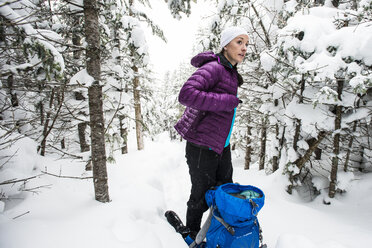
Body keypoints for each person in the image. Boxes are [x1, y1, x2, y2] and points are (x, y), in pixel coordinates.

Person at [174, 26, 249, 239]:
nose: (244, 48)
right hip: (201, 145)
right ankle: (193, 234)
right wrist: (226, 101)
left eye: (246, 44)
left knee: (225, 191)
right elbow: (186, 94)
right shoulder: (214, 68)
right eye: (239, 42)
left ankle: (218, 232)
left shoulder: (230, 72)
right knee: (200, 195)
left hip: (220, 145)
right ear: (226, 45)